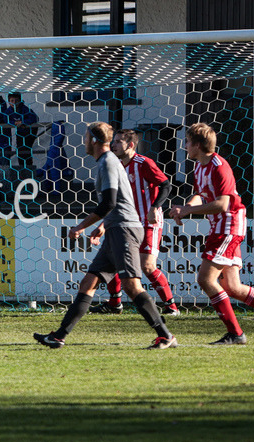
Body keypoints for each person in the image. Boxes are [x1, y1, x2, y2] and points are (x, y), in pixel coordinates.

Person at [34, 122, 177, 349]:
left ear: (92, 139)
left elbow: (109, 202)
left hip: (124, 230)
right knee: (88, 283)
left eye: (84, 137)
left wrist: (80, 226)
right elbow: (116, 203)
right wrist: (103, 226)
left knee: (132, 286)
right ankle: (58, 336)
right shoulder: (107, 161)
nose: (83, 142)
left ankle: (166, 335)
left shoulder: (108, 162)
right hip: (115, 229)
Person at [169, 122, 254, 344]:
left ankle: (236, 333)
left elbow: (222, 204)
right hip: (220, 226)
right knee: (233, 287)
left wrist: (189, 209)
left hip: (228, 226)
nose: (186, 146)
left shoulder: (220, 167)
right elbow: (201, 194)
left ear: (198, 145)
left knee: (205, 279)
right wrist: (186, 208)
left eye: (188, 142)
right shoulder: (199, 166)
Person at [93, 129, 180, 316]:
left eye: (118, 142)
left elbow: (165, 184)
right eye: (113, 141)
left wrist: (154, 207)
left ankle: (171, 306)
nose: (113, 145)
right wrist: (102, 224)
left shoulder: (143, 163)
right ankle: (114, 303)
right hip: (125, 222)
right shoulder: (116, 166)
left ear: (130, 145)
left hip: (148, 221)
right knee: (114, 260)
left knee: (147, 266)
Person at [6, 92, 38, 173]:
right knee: (20, 151)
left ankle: (28, 170)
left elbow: (34, 118)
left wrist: (23, 122)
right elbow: (5, 119)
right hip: (20, 132)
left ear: (20, 101)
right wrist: (14, 123)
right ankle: (22, 171)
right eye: (12, 101)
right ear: (9, 101)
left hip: (29, 132)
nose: (14, 103)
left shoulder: (24, 109)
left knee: (26, 151)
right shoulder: (9, 110)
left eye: (16, 100)